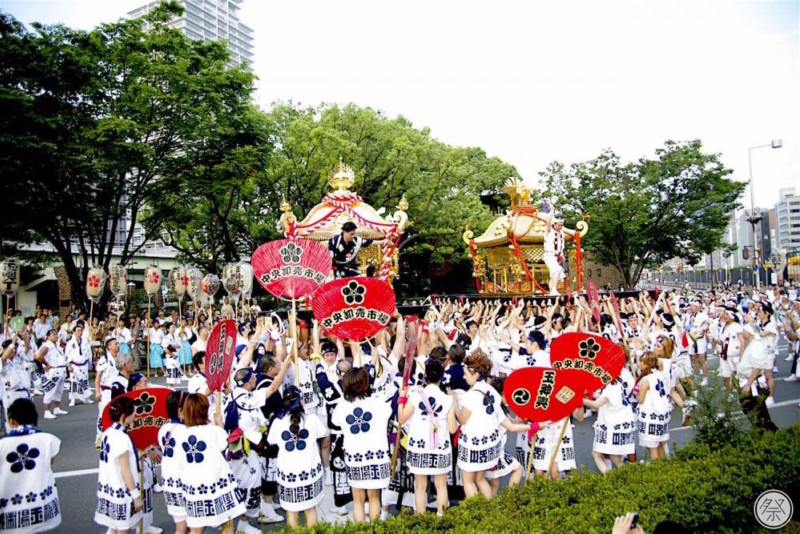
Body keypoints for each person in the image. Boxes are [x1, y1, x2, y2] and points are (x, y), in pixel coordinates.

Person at [452, 351, 534, 497]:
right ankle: (489, 509)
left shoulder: (471, 395)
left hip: (472, 444)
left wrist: (454, 402)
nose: (464, 377)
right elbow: (510, 426)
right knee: (480, 479)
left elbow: (462, 420)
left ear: (476, 374)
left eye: (466, 374)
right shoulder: (492, 391)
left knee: (469, 481)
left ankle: (477, 510)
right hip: (489, 445)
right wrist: (534, 426)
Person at [174, 393, 247, 534]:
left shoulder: (178, 434)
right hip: (218, 484)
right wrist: (220, 423)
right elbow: (227, 446)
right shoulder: (214, 431)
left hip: (193, 486)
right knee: (227, 522)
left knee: (197, 527)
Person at [331, 367, 393, 523]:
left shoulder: (342, 406)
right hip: (376, 456)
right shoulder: (378, 402)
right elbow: (389, 412)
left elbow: (335, 421)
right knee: (374, 497)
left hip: (355, 457)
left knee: (357, 499)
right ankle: (374, 530)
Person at [398, 358, 457, 516]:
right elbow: (453, 429)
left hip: (419, 445)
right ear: (441, 377)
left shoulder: (415, 396)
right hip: (440, 445)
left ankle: (421, 520)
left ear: (425, 376)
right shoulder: (448, 399)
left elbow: (402, 419)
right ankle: (441, 518)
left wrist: (401, 398)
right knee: (441, 485)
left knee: (420, 486)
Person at [267, 386, 330, 529]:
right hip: (309, 472)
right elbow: (323, 433)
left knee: (291, 511)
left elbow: (271, 440)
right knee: (311, 509)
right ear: (300, 401)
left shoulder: (278, 422)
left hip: (288, 474)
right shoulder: (311, 419)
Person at [0, 399, 62, 533]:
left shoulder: (3, 444)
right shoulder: (47, 439)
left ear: (11, 421)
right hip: (40, 505)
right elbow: (50, 461)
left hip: (10, 509)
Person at [94, 396, 143, 533]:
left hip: (109, 487)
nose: (135, 415)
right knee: (123, 528)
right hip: (121, 490)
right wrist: (136, 496)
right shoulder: (122, 437)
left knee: (114, 527)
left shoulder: (108, 432)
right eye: (133, 412)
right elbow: (125, 469)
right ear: (124, 415)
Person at [583, 376, 636, 473]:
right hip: (621, 423)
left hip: (611, 425)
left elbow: (597, 404)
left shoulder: (610, 387)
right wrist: (591, 394)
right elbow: (606, 399)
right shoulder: (619, 382)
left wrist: (580, 400)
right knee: (614, 456)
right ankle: (627, 476)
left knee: (596, 454)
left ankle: (608, 477)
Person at [158, 391, 188, 534]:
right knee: (183, 526)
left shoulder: (164, 428)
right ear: (180, 411)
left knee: (184, 523)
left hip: (169, 479)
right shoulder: (184, 431)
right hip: (182, 481)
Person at [636, 352, 671, 459]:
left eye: (642, 362)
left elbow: (640, 399)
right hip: (661, 413)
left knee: (652, 447)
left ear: (648, 364)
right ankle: (664, 465)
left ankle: (656, 467)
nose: (639, 363)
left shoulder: (646, 380)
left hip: (650, 415)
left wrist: (637, 393)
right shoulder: (659, 374)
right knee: (660, 444)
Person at [35, 330, 68, 420]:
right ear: (48, 336)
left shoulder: (57, 346)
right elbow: (38, 356)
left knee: (59, 391)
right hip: (53, 370)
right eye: (53, 334)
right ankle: (47, 411)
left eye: (56, 334)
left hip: (61, 370)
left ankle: (57, 408)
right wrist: (46, 364)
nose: (56, 336)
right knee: (50, 392)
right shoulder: (46, 345)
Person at [65, 323, 92, 407]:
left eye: (81, 330)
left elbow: (89, 352)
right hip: (74, 365)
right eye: (78, 331)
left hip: (84, 364)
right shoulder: (70, 343)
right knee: (74, 382)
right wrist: (68, 365)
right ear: (74, 332)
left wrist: (90, 362)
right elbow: (67, 354)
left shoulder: (85, 341)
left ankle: (85, 398)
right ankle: (73, 399)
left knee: (85, 380)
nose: (80, 332)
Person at [542, 213, 566, 296]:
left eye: (561, 225)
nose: (560, 227)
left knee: (554, 274)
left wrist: (562, 255)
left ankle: (552, 291)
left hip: (557, 256)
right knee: (557, 270)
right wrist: (551, 212)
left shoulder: (561, 233)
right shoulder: (549, 231)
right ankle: (554, 290)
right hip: (549, 255)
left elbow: (561, 246)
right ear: (554, 224)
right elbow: (548, 223)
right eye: (559, 225)